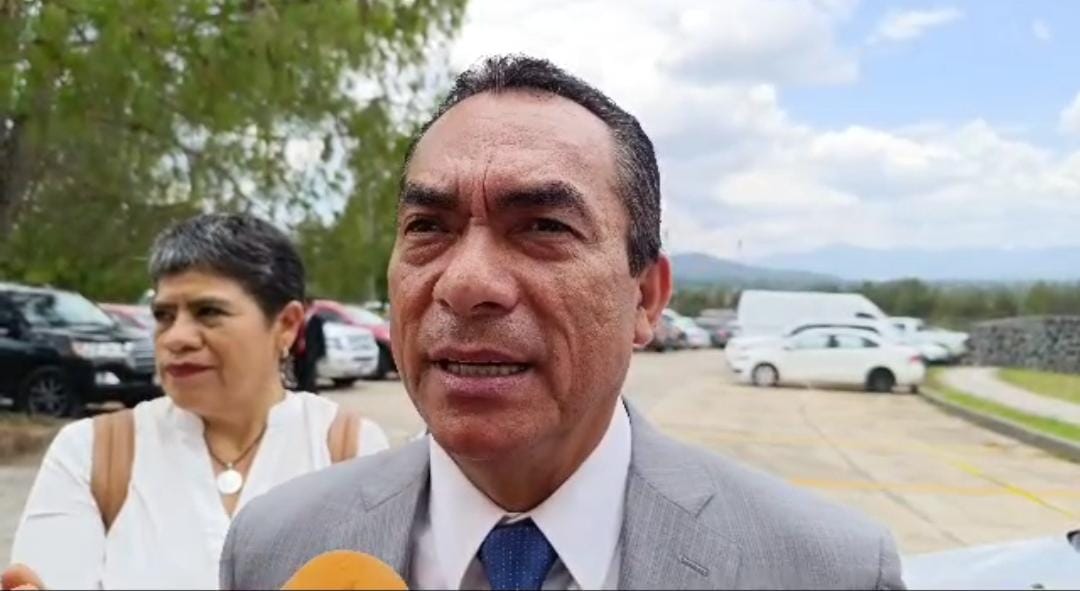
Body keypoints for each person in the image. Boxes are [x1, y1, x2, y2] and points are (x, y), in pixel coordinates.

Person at [220, 55, 906, 590]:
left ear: (646, 298)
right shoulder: (275, 546)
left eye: (543, 226)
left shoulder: (828, 569)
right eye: (428, 226)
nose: (465, 284)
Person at [3, 213, 391, 590]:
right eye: (164, 316)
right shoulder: (93, 452)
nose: (177, 337)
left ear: (286, 324)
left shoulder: (349, 449)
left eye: (208, 313)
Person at [294, 307, 327, 393]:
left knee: (309, 376)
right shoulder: (298, 319)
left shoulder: (315, 319)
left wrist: (320, 352)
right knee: (299, 373)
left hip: (310, 353)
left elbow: (320, 337)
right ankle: (301, 390)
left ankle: (310, 392)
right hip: (299, 353)